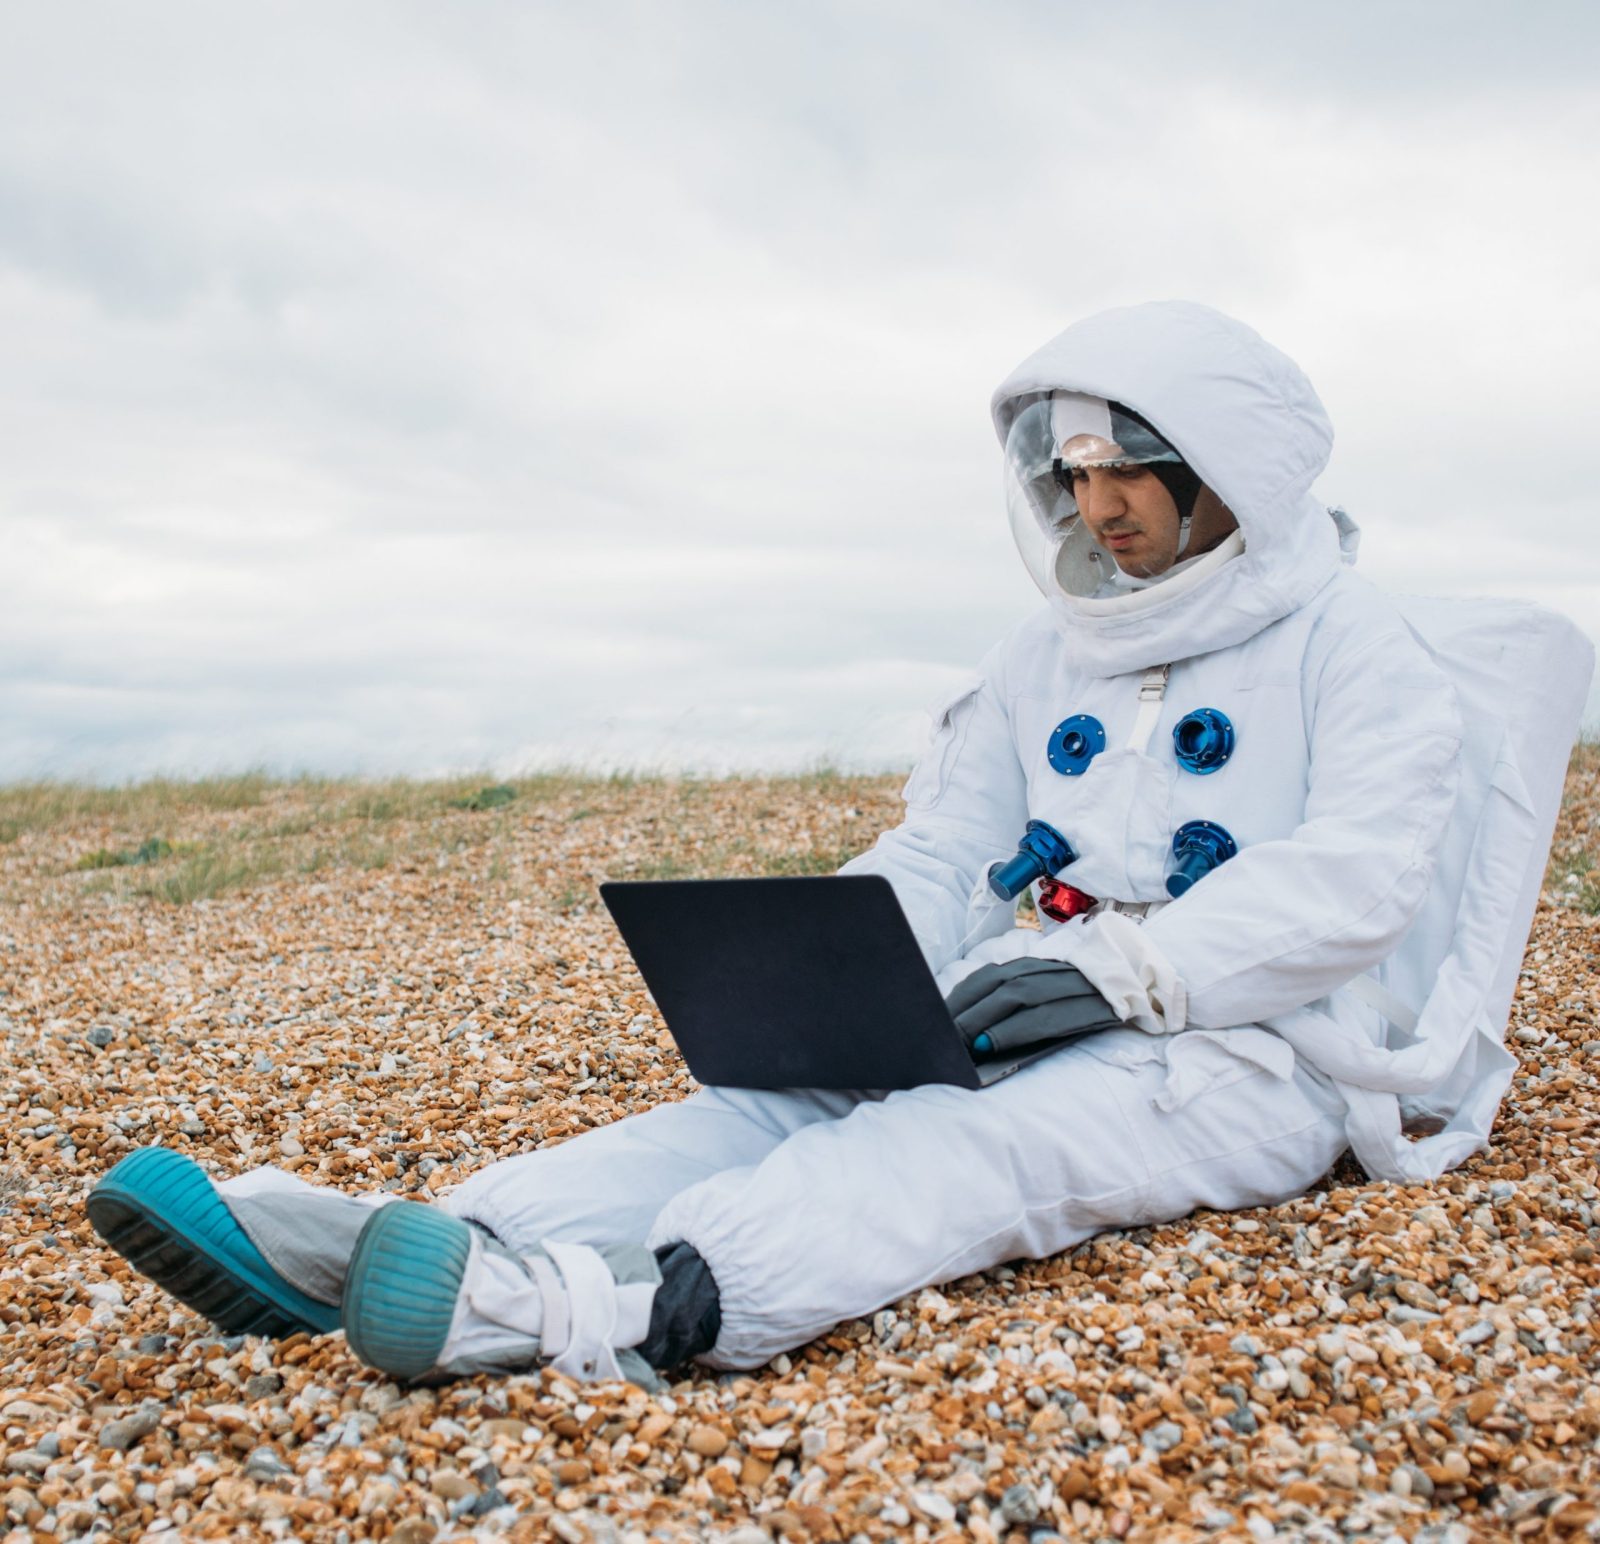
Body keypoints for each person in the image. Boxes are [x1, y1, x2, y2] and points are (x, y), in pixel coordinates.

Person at [92, 300, 1566, 1389]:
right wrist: (828, 963)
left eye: (1127, 468)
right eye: (1073, 469)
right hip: (1023, 993)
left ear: (1226, 463)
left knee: (960, 1150)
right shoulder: (1045, 654)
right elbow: (947, 853)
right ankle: (408, 1244)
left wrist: (1133, 971)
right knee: (768, 1104)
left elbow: (1361, 879)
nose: (1094, 505)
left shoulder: (1355, 650)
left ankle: (582, 1314)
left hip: (1247, 1052)